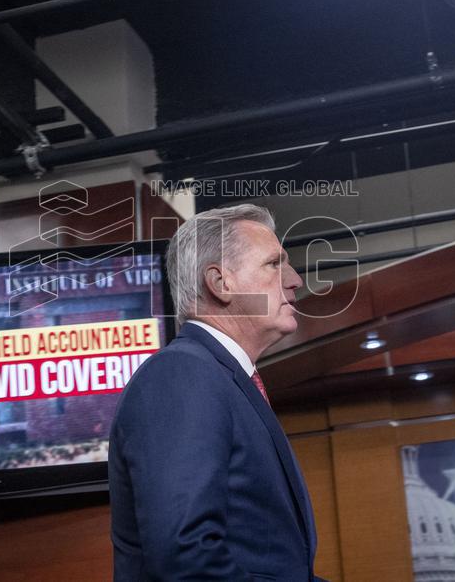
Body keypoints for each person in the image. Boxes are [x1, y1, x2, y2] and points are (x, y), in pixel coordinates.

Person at [108, 204, 325, 581]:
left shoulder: (221, 377)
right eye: (275, 264)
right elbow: (186, 557)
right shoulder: (182, 375)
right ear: (221, 283)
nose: (295, 280)